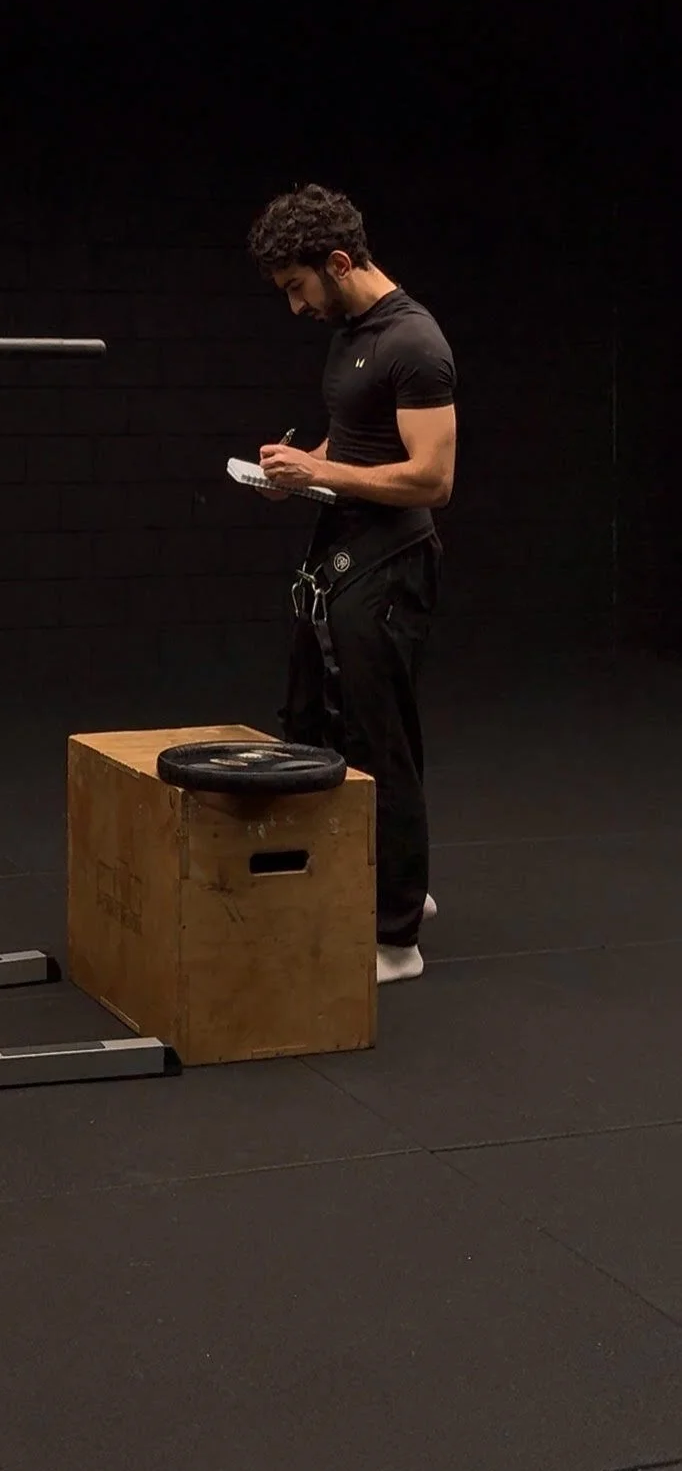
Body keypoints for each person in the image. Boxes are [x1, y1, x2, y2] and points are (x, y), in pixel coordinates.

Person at [247, 184, 457, 984]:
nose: (296, 305)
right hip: (338, 554)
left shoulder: (415, 341)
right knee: (312, 725)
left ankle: (398, 938)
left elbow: (432, 477)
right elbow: (353, 443)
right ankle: (394, 880)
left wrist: (322, 473)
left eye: (298, 286)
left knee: (380, 741)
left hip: (392, 563)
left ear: (338, 262)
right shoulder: (348, 335)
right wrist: (296, 472)